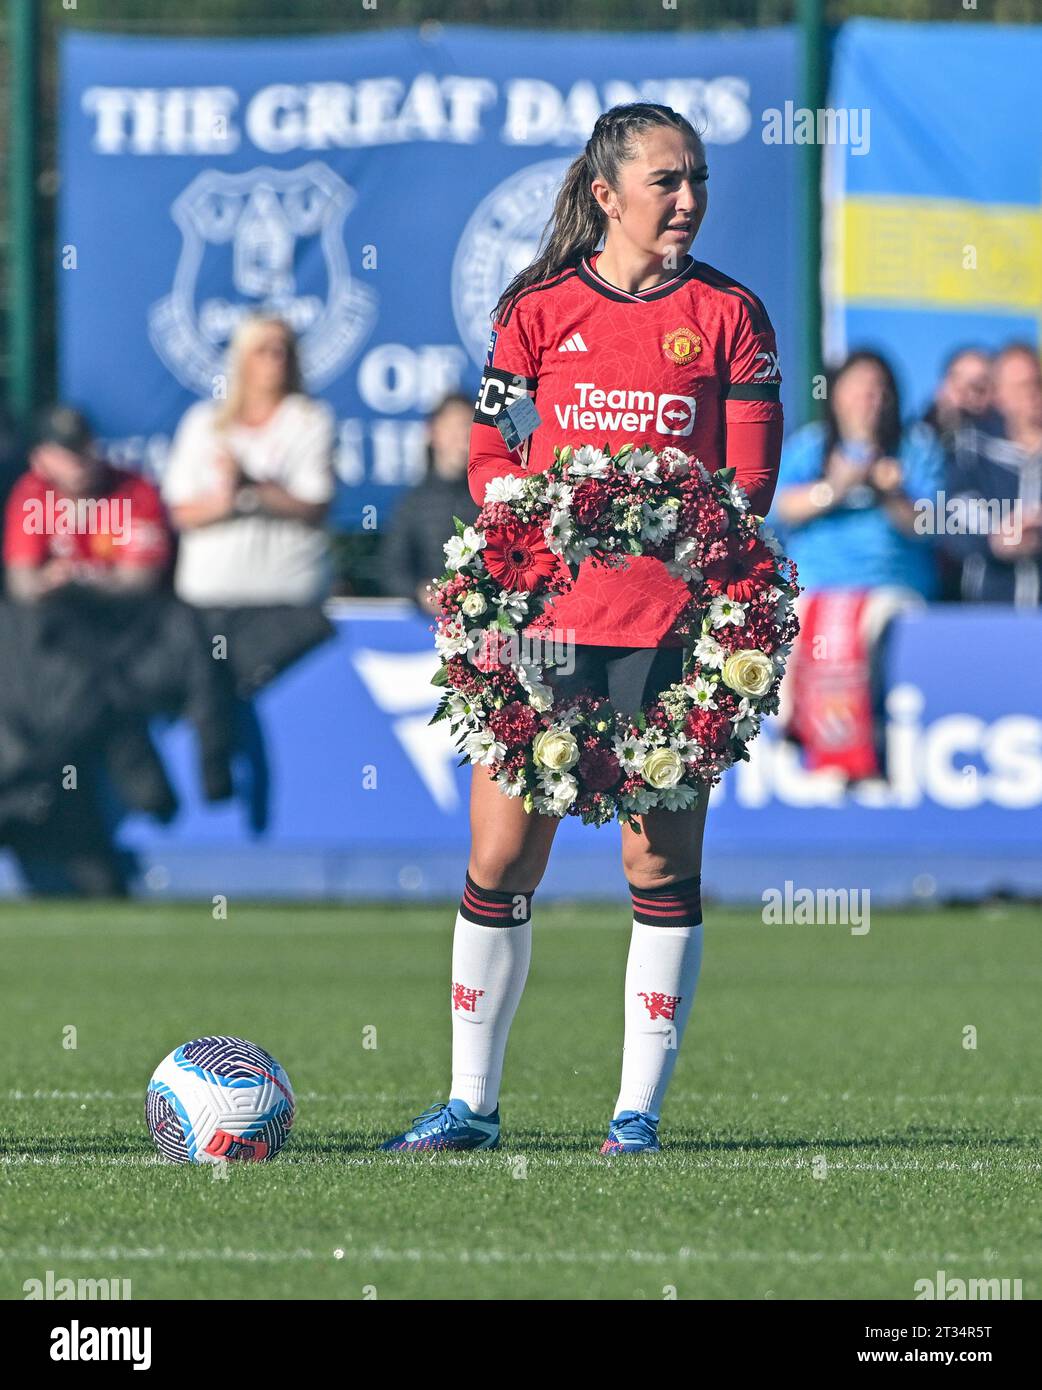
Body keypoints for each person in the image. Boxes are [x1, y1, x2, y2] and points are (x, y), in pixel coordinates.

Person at [381, 102, 784, 1156]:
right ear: (606, 194)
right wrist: (556, 504)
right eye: (666, 180)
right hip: (545, 634)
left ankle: (634, 1115)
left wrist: (654, 512)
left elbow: (748, 486)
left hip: (675, 640)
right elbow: (487, 461)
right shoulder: (534, 310)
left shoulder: (732, 315)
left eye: (696, 178)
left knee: (658, 869)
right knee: (502, 858)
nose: (688, 199)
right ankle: (470, 1103)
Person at [771, 352, 944, 781]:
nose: (870, 397)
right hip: (814, 587)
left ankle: (855, 752)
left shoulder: (916, 446)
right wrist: (837, 487)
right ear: (836, 396)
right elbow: (777, 511)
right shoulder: (811, 446)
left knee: (859, 628)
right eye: (859, 386)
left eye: (879, 388)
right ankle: (799, 736)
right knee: (802, 622)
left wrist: (891, 493)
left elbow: (931, 525)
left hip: (891, 589)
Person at [161, 315, 335, 607]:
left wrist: (248, 484)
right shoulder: (202, 423)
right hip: (209, 596)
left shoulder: (310, 419)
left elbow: (315, 504)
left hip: (288, 597)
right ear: (241, 359)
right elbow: (179, 511)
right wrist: (228, 501)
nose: (276, 359)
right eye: (263, 350)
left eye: (284, 350)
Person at [3, 404, 171, 600]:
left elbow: (140, 583)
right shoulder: (32, 493)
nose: (77, 462)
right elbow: (21, 585)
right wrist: (49, 581)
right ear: (40, 459)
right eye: (64, 454)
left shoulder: (134, 491)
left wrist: (80, 581)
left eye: (83, 448)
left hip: (120, 620)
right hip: (55, 619)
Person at [940, 342, 1042, 606]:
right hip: (987, 610)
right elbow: (953, 513)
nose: (1034, 394)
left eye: (1038, 383)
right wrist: (996, 540)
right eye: (1022, 387)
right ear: (999, 396)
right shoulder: (972, 449)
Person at [380, 392, 478, 614]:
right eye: (455, 428)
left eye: (469, 428)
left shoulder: (489, 500)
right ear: (433, 433)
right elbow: (392, 569)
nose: (463, 436)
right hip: (428, 629)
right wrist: (420, 593)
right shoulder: (411, 504)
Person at [921, 346, 998, 454]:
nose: (964, 394)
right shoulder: (912, 445)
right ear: (940, 389)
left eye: (978, 388)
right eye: (956, 383)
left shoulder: (1004, 457)